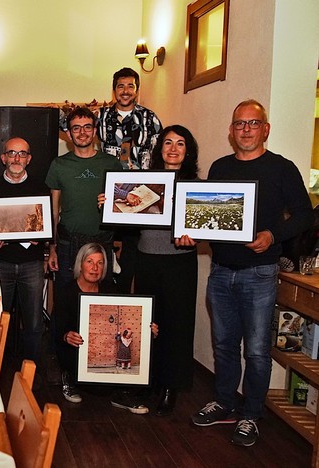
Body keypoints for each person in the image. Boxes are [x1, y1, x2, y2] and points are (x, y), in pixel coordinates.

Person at [188, 100, 313, 446]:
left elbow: (305, 215)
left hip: (259, 273)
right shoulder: (219, 167)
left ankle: (251, 414)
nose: (245, 129)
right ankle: (225, 402)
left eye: (253, 123)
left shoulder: (282, 169)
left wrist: (272, 235)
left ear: (265, 129)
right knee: (224, 346)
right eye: (239, 124)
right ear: (231, 131)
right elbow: (208, 215)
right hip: (220, 270)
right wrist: (192, 230)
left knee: (256, 350)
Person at [133, 124, 200, 417]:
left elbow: (205, 225)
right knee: (148, 323)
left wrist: (196, 235)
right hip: (147, 258)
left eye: (180, 144)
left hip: (179, 261)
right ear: (160, 149)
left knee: (176, 324)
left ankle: (171, 386)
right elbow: (127, 214)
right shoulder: (144, 181)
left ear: (188, 151)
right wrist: (109, 204)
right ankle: (148, 380)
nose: (173, 149)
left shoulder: (196, 186)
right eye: (168, 143)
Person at [56, 243, 157, 412]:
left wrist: (147, 329)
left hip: (106, 352)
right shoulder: (66, 292)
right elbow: (56, 330)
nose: (95, 268)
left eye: (100, 263)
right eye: (90, 261)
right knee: (93, 382)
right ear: (80, 264)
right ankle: (69, 379)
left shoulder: (111, 289)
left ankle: (121, 394)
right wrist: (66, 336)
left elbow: (126, 320)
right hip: (76, 352)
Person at [97, 67, 162, 294]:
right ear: (114, 89)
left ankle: (126, 295)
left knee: (134, 249)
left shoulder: (150, 118)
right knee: (104, 246)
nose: (125, 91)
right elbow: (71, 127)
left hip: (140, 193)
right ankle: (104, 295)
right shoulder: (101, 116)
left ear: (137, 90)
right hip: (109, 190)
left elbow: (159, 155)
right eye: (121, 86)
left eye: (130, 86)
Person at [0, 137, 49, 361]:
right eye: (11, 153)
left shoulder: (41, 189)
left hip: (32, 263)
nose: (16, 158)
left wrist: (41, 236)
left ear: (29, 159)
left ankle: (31, 372)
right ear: (3, 158)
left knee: (33, 322)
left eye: (22, 154)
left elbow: (47, 225)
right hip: (0, 262)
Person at [46, 106, 121, 291]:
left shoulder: (111, 163)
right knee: (65, 299)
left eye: (87, 127)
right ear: (69, 134)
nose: (82, 132)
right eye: (76, 128)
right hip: (67, 244)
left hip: (102, 244)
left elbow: (123, 206)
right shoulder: (59, 165)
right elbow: (53, 211)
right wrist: (52, 248)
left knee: (101, 306)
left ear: (95, 131)